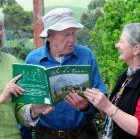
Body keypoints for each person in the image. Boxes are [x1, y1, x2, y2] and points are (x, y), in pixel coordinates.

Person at [25, 7, 106, 139]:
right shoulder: (33, 59)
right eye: (66, 35)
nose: (72, 40)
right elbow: (23, 105)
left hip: (83, 133)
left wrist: (86, 106)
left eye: (73, 33)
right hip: (46, 134)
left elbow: (102, 98)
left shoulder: (87, 56)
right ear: (49, 36)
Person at [0, 8, 52, 139]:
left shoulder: (11, 61)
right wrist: (2, 97)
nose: (0, 33)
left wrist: (35, 110)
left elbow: (19, 111)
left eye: (0, 27)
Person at [84, 23, 140, 139]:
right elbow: (112, 115)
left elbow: (138, 128)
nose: (116, 45)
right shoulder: (126, 76)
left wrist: (107, 106)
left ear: (136, 49)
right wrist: (98, 102)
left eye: (121, 41)